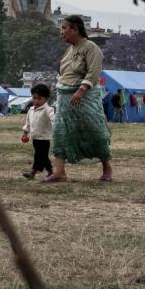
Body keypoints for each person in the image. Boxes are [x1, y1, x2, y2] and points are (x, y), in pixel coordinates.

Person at [43, 15, 113, 183]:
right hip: (65, 97)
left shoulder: (91, 47)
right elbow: (64, 74)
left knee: (95, 131)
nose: (62, 32)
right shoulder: (69, 50)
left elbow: (94, 72)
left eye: (64, 28)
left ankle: (107, 168)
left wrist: (81, 90)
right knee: (61, 132)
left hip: (85, 97)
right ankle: (59, 171)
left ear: (75, 29)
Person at [20, 83, 55, 179]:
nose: (36, 101)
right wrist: (25, 133)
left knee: (40, 156)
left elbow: (54, 119)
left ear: (46, 99)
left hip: (44, 138)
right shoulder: (31, 110)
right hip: (35, 138)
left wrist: (56, 124)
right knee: (42, 156)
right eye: (34, 98)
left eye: (39, 98)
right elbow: (28, 123)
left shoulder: (48, 110)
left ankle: (34, 172)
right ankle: (49, 172)